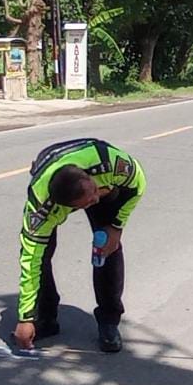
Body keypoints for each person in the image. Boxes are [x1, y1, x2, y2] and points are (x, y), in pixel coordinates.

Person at [13, 138, 147, 353]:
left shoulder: (110, 164)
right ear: (65, 208)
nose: (95, 199)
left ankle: (109, 321)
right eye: (88, 201)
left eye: (93, 192)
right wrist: (25, 317)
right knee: (41, 256)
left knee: (107, 248)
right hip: (51, 171)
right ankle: (45, 318)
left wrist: (116, 226)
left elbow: (138, 186)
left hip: (104, 178)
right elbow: (30, 260)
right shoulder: (41, 207)